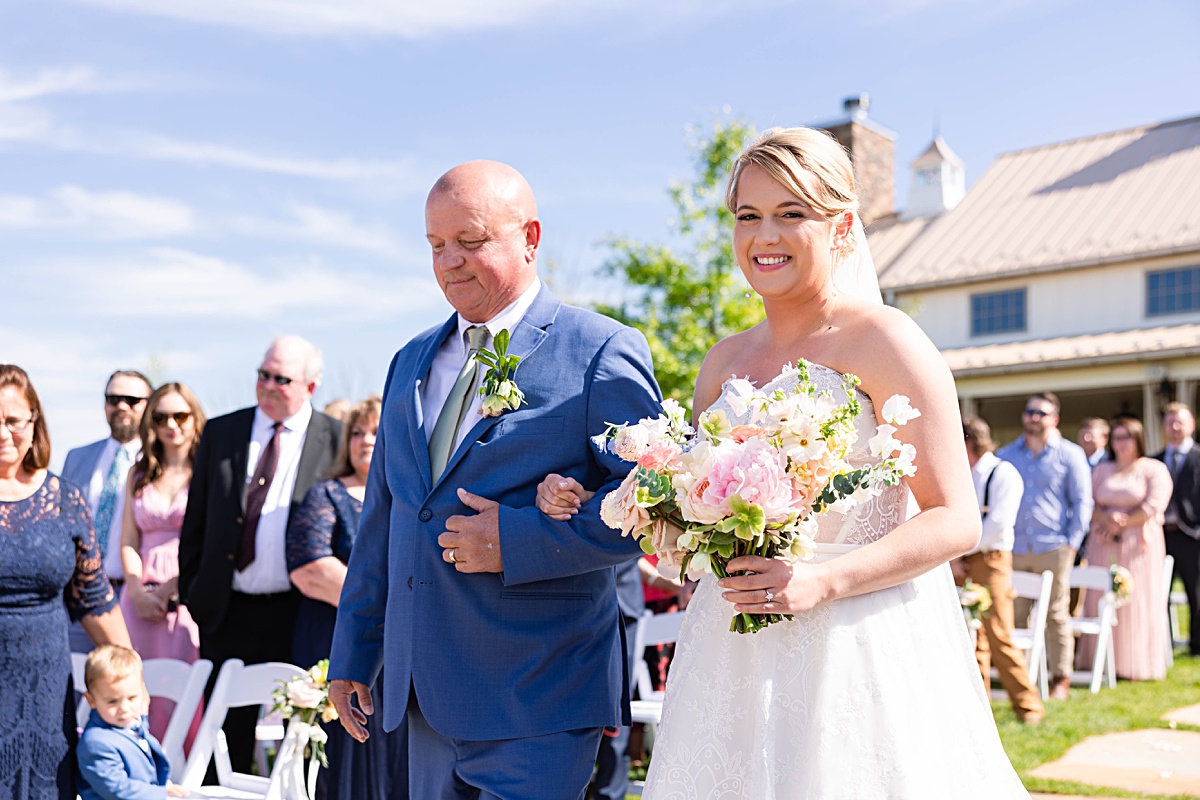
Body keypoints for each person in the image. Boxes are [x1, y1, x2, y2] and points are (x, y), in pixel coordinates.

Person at [538, 128, 1027, 797]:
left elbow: (955, 519)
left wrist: (822, 582)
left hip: (855, 644)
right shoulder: (723, 361)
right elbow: (685, 512)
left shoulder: (887, 343)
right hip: (730, 648)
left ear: (842, 227)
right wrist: (603, 498)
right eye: (748, 216)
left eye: (791, 214)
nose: (765, 235)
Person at [327, 160, 661, 799]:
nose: (449, 261)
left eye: (471, 241)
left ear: (530, 238)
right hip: (420, 696)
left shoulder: (601, 350)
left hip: (539, 690)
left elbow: (653, 505)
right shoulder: (410, 361)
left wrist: (518, 539)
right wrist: (354, 653)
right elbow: (386, 519)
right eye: (435, 245)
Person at [178, 336, 343, 773]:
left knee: (304, 740)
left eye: (282, 379)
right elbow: (195, 521)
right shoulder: (221, 431)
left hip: (298, 613)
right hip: (225, 610)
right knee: (221, 742)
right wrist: (196, 589)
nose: (268, 385)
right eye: (262, 374)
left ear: (310, 386)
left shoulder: (335, 439)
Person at [0, 364, 131, 800]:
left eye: (12, 420)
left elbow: (93, 598)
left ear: (33, 422)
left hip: (45, 688)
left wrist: (131, 675)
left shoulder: (65, 498)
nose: (3, 432)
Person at [286, 396, 407, 800]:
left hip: (400, 649)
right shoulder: (326, 493)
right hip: (337, 637)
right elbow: (311, 568)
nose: (365, 440)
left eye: (375, 431)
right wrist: (380, 609)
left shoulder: (405, 496)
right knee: (342, 753)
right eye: (356, 432)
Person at [119, 382, 206, 740]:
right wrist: (137, 590)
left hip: (187, 593)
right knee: (133, 686)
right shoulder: (139, 473)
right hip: (138, 596)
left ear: (194, 419)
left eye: (180, 415)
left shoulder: (207, 471)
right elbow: (127, 539)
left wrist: (173, 588)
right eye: (161, 417)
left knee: (183, 691)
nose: (172, 424)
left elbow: (211, 540)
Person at [997, 392, 1093, 701]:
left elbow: (1082, 501)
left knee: (1055, 614)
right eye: (1029, 412)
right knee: (1016, 613)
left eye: (1040, 413)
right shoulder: (1007, 455)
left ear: (1054, 419)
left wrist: (1072, 544)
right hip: (1015, 547)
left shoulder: (1070, 454)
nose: (1033, 417)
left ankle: (1059, 679)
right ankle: (1022, 681)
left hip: (1053, 547)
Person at [951, 416, 1044, 724]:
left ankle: (1028, 707)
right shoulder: (961, 474)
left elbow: (998, 524)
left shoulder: (1002, 473)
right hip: (961, 560)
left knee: (998, 634)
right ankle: (980, 710)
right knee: (969, 637)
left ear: (969, 442)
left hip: (991, 559)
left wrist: (960, 550)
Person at [62, 369, 154, 652]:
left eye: (132, 399)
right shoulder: (77, 458)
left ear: (149, 405)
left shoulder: (158, 463)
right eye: (114, 399)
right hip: (76, 596)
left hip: (131, 597)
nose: (122, 406)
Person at [1076, 416, 1171, 679]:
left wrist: (1124, 522)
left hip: (1138, 547)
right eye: (1117, 437)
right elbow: (1088, 501)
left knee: (1135, 601)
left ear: (1138, 439)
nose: (1122, 443)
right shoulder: (1101, 471)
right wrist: (1107, 520)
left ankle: (1135, 664)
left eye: (1126, 437)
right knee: (1100, 596)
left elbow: (1155, 504)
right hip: (1103, 542)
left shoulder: (1153, 468)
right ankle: (1098, 661)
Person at [76, 645, 186, 800]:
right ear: (91, 700)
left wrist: (162, 786)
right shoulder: (96, 743)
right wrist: (160, 794)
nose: (124, 708)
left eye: (132, 698)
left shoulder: (130, 723)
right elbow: (118, 789)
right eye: (112, 701)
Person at [1155, 401, 1200, 656]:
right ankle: (1163, 645)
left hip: (1192, 536)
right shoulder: (1154, 459)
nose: (1174, 427)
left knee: (1197, 593)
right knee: (1160, 593)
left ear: (1191, 425)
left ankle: (1197, 645)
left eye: (1179, 421)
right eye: (1169, 422)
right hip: (1160, 536)